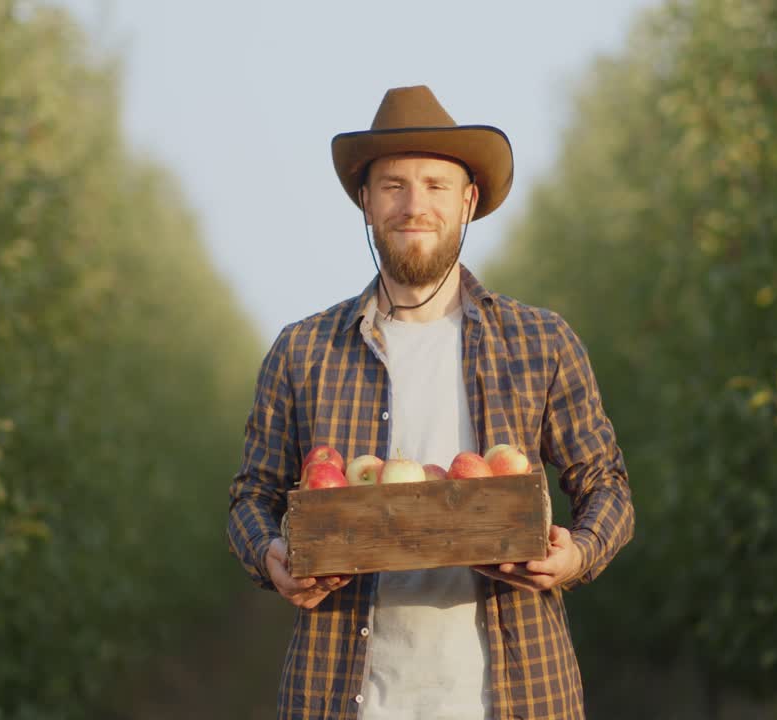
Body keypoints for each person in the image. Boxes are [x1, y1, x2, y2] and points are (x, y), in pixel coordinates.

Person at [227, 85, 634, 720]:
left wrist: (576, 553)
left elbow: (607, 484)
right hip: (342, 696)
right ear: (365, 202)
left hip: (516, 695)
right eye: (393, 186)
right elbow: (252, 494)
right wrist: (272, 556)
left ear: (468, 200)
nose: (414, 206)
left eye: (436, 186)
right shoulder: (304, 351)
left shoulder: (540, 343)